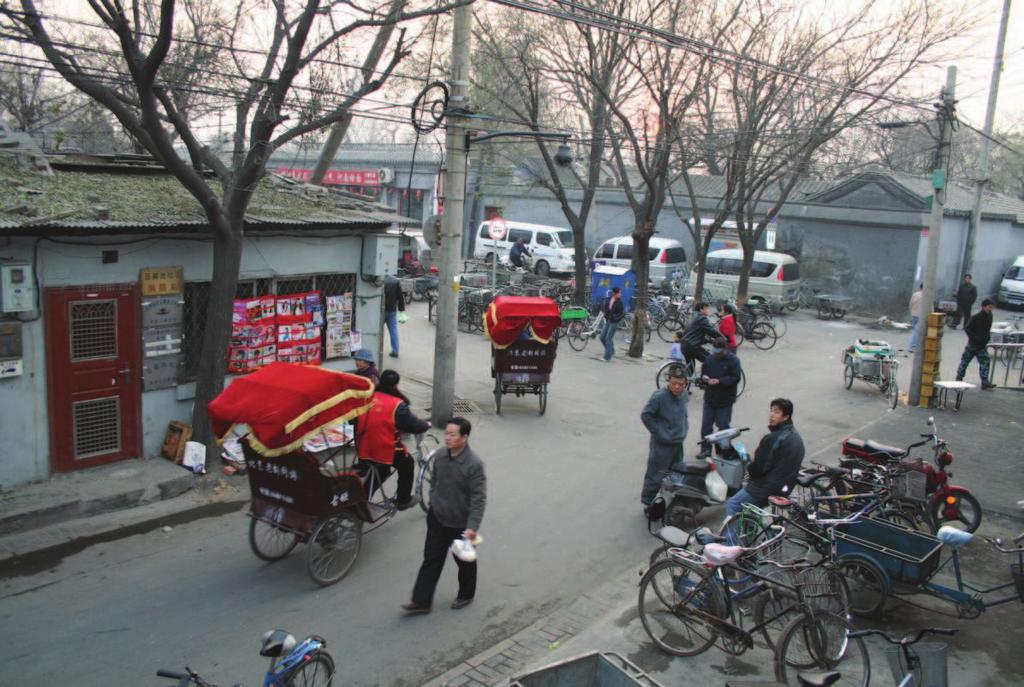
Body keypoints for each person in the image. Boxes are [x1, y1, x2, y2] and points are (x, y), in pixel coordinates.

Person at [403, 417, 487, 614]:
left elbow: (479, 498)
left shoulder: (474, 465)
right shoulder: (440, 456)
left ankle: (466, 594)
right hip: (438, 519)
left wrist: (472, 527)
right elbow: (434, 481)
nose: (447, 438)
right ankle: (421, 601)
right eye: (446, 433)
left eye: (452, 434)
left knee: (464, 561)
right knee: (431, 559)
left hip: (461, 524)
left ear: (464, 438)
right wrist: (434, 502)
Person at [725, 398, 804, 543]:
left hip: (767, 487)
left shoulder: (773, 438)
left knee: (733, 503)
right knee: (750, 509)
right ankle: (748, 544)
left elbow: (758, 468)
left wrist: (749, 471)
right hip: (784, 486)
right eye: (771, 411)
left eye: (777, 412)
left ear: (786, 416)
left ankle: (727, 548)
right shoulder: (795, 435)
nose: (772, 415)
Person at [370, 370, 430, 509]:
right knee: (407, 463)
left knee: (381, 469)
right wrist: (426, 425)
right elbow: (412, 424)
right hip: (383, 446)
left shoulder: (369, 396)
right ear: (396, 385)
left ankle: (362, 498)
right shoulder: (398, 404)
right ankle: (404, 499)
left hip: (364, 446)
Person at [640, 366, 688, 513]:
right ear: (668, 381)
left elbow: (683, 414)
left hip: (677, 443)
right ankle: (649, 503)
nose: (677, 387)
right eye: (674, 383)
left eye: (681, 384)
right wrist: (659, 433)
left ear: (686, 383)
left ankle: (669, 500)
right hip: (662, 445)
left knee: (676, 473)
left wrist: (684, 428)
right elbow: (646, 415)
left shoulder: (684, 395)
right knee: (656, 475)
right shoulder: (659, 396)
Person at [698, 337, 742, 457]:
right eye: (715, 352)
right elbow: (703, 373)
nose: (716, 355)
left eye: (719, 352)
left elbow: (735, 377)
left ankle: (723, 449)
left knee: (723, 426)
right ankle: (705, 449)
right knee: (706, 426)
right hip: (710, 398)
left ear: (725, 349)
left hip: (725, 400)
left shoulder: (734, 361)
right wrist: (705, 378)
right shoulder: (709, 359)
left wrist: (720, 381)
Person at [956, 298, 997, 389]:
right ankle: (959, 378)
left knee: (985, 361)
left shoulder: (989, 315)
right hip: (973, 345)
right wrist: (974, 338)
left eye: (991, 307)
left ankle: (985, 381)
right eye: (989, 307)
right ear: (983, 306)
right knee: (965, 361)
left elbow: (987, 329)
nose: (990, 309)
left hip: (981, 345)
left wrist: (987, 338)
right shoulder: (976, 317)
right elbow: (967, 328)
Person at [681, 302, 720, 367]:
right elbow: (711, 331)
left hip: (685, 344)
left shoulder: (694, 316)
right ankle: (705, 376)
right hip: (692, 346)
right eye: (706, 309)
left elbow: (695, 333)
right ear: (701, 310)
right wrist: (722, 338)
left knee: (690, 368)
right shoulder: (701, 318)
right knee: (710, 360)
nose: (708, 310)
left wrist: (709, 341)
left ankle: (684, 376)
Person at [599, 287, 626, 362]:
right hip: (608, 321)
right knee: (602, 337)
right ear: (614, 293)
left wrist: (616, 318)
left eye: (620, 293)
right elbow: (606, 309)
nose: (620, 294)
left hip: (614, 322)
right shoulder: (608, 299)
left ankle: (607, 357)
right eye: (619, 293)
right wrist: (605, 315)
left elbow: (622, 313)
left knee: (608, 338)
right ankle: (611, 350)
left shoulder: (620, 302)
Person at [383, 275, 406, 358]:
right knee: (393, 331)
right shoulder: (395, 281)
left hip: (380, 310)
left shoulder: (378, 280)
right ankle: (395, 351)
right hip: (391, 310)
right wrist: (401, 309)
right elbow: (400, 297)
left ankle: (376, 350)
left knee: (377, 332)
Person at [907, 285, 923, 353]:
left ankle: (913, 345)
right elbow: (931, 307)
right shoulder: (928, 296)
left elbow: (910, 304)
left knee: (915, 330)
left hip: (914, 315)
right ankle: (912, 346)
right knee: (916, 331)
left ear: (920, 288)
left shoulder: (915, 294)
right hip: (922, 315)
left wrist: (912, 311)